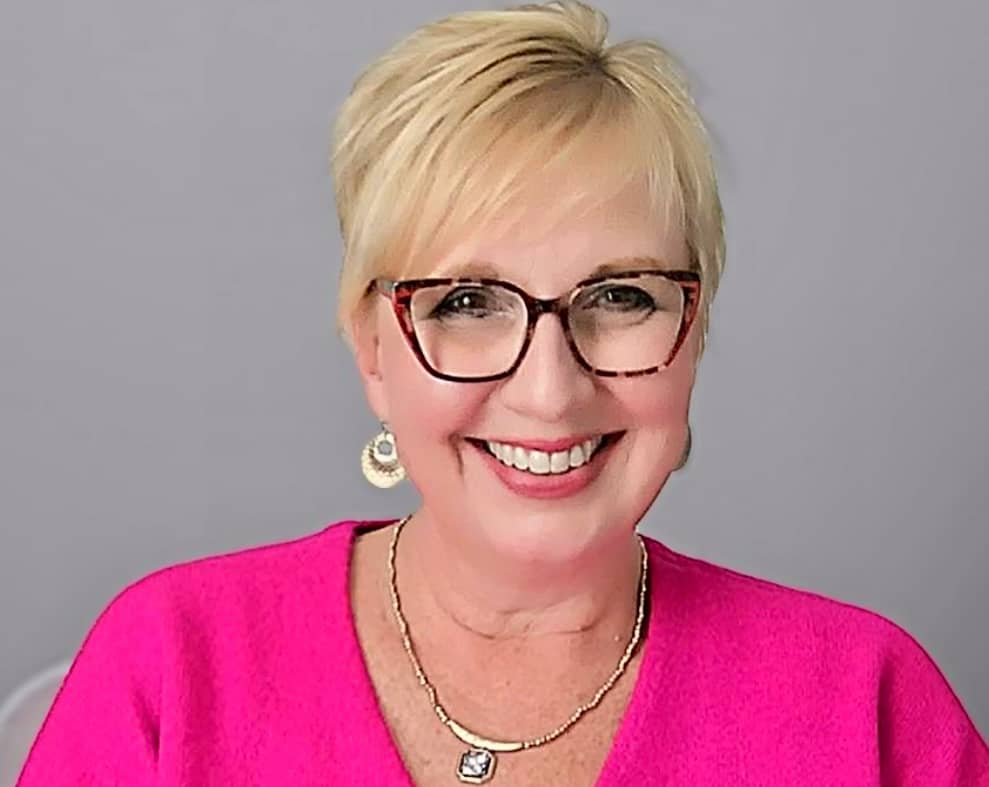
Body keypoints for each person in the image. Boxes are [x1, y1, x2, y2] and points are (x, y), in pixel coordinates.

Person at [17, 2, 989, 785]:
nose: (549, 389)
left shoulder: (866, 705)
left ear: (693, 334)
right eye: (468, 302)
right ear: (372, 349)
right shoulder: (171, 668)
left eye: (619, 296)